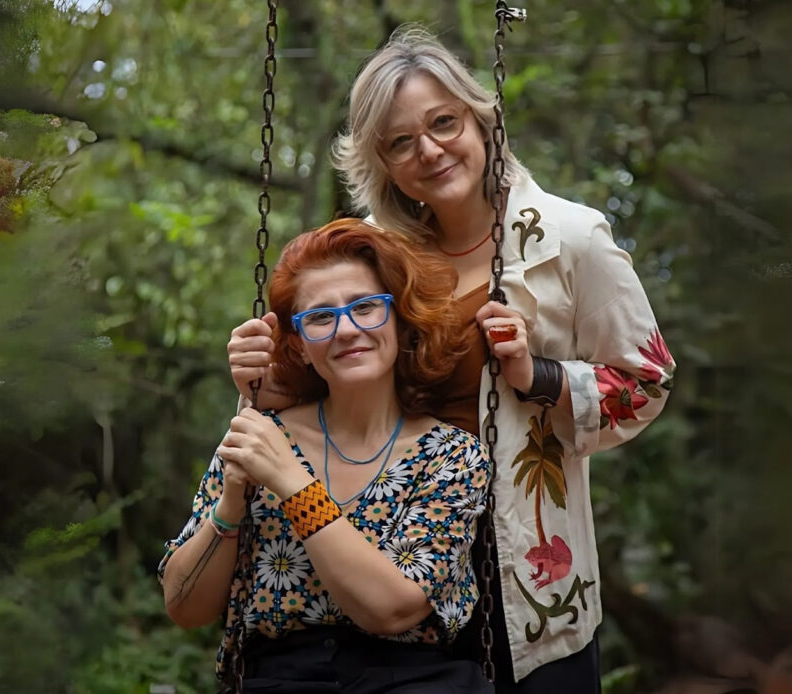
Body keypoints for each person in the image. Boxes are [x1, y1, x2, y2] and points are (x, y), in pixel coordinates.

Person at [226, 27, 676, 693]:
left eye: (444, 123)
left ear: (480, 118)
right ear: (380, 161)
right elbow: (312, 374)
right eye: (401, 142)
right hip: (396, 562)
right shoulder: (376, 256)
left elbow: (647, 382)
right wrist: (256, 363)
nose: (429, 151)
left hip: (525, 573)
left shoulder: (571, 239)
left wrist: (539, 375)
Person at [160, 218, 494, 693]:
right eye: (320, 317)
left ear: (400, 318)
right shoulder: (264, 436)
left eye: (366, 307)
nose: (347, 329)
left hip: (413, 680)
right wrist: (231, 501)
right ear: (296, 342)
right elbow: (184, 607)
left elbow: (393, 608)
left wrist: (294, 484)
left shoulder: (451, 455)